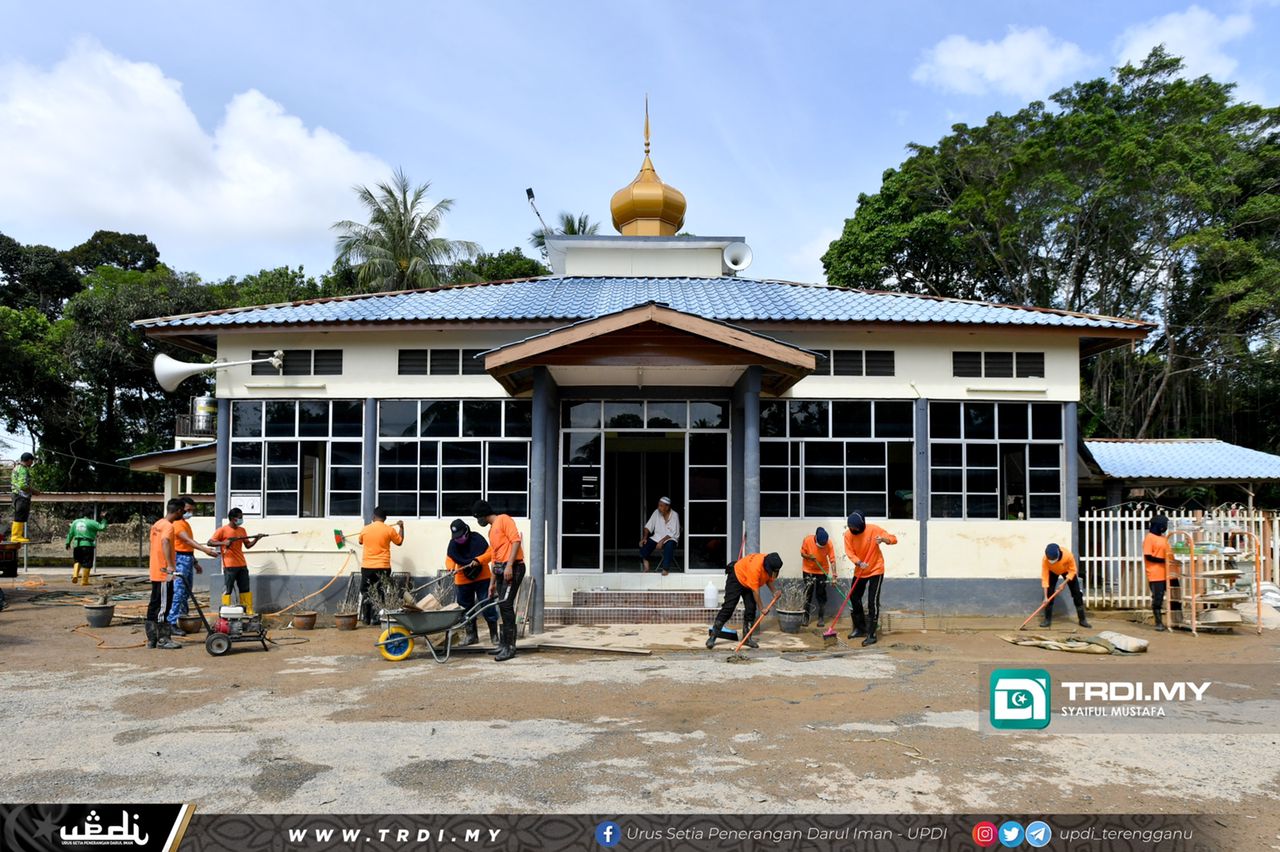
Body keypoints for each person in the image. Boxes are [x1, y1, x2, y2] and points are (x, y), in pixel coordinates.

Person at [474, 499, 524, 662]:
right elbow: (494, 559)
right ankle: (504, 644)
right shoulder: (491, 531)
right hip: (501, 569)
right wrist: (492, 583)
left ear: (482, 515)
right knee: (502, 605)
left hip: (514, 568)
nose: (478, 521)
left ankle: (510, 647)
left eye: (477, 517)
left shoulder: (504, 519)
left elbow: (516, 541)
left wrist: (510, 565)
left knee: (506, 604)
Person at [705, 552, 783, 649]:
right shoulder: (756, 567)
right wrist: (762, 608)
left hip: (748, 581)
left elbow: (768, 579)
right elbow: (755, 591)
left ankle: (747, 639)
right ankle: (713, 637)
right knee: (728, 608)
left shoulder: (770, 563)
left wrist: (774, 591)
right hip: (737, 577)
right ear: (767, 566)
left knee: (751, 608)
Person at [843, 510, 897, 647]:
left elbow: (894, 539)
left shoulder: (873, 530)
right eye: (851, 528)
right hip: (860, 569)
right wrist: (859, 562)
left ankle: (871, 634)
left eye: (855, 528)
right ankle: (860, 628)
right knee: (854, 597)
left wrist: (883, 540)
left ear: (862, 525)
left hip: (875, 569)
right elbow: (849, 552)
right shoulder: (848, 535)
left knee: (872, 601)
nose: (853, 530)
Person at [168, 496, 217, 636]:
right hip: (180, 558)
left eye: (192, 510)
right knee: (178, 591)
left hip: (188, 558)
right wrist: (205, 550)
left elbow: (187, 546)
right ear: (180, 509)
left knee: (186, 591)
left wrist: (195, 563)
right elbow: (187, 541)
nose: (190, 513)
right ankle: (171, 622)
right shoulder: (177, 524)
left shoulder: (185, 523)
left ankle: (183, 619)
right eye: (188, 510)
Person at [445, 518, 498, 647]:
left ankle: (494, 635)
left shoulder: (477, 539)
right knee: (466, 609)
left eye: (461, 536)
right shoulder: (453, 544)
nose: (459, 539)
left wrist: (478, 560)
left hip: (482, 578)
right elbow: (450, 558)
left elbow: (491, 553)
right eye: (456, 537)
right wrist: (451, 569)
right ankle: (471, 635)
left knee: (487, 605)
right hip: (463, 580)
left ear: (467, 532)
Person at [146, 498, 185, 650]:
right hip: (163, 573)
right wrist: (170, 565)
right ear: (178, 511)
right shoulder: (168, 527)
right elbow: (165, 542)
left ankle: (152, 640)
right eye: (184, 511)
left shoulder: (157, 524)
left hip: (155, 570)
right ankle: (163, 639)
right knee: (164, 607)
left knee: (154, 605)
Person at [209, 508, 262, 615]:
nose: (241, 519)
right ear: (233, 519)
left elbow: (248, 545)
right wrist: (223, 543)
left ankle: (247, 610)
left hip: (242, 564)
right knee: (228, 589)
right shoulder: (223, 530)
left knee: (245, 588)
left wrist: (256, 539)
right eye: (240, 517)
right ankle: (225, 610)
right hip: (229, 565)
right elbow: (210, 542)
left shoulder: (242, 530)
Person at [357, 507, 404, 625]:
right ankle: (376, 618)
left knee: (366, 591)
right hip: (383, 566)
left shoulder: (365, 529)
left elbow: (360, 541)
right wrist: (401, 528)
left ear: (374, 517)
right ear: (385, 518)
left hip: (367, 566)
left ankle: (366, 618)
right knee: (380, 591)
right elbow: (399, 542)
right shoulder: (389, 530)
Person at [1039, 543, 1091, 628]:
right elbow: (1045, 577)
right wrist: (1045, 597)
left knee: (1077, 594)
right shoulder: (1045, 559)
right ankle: (1047, 620)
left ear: (1058, 554)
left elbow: (1073, 570)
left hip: (1067, 571)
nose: (1051, 560)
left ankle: (1082, 620)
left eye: (1053, 559)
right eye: (1050, 559)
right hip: (1052, 572)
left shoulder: (1068, 555)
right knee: (1049, 594)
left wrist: (1063, 584)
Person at [1144, 514, 1179, 632]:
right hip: (1156, 573)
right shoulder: (1149, 538)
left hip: (1170, 572)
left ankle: (1177, 621)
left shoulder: (1164, 538)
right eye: (1164, 524)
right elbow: (1148, 556)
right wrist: (1164, 560)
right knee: (1158, 598)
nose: (1165, 527)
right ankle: (1158, 622)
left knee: (1175, 597)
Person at [800, 527, 836, 626]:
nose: (821, 547)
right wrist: (809, 557)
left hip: (822, 571)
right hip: (808, 570)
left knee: (821, 593)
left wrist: (834, 576)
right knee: (808, 593)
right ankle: (805, 617)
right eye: (820, 545)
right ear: (815, 538)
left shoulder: (829, 543)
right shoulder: (807, 540)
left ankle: (821, 617)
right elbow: (802, 554)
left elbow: (832, 560)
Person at [639, 496, 681, 575]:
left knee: (669, 545)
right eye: (659, 505)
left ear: (667, 507)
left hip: (671, 538)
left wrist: (662, 541)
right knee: (644, 544)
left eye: (661, 506)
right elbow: (648, 526)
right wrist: (644, 538)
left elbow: (673, 532)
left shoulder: (674, 515)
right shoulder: (656, 512)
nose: (659, 507)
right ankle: (645, 562)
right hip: (657, 538)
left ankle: (665, 568)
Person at [65, 515, 108, 586]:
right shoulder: (92, 522)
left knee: (77, 560)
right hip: (87, 545)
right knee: (87, 563)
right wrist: (103, 519)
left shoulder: (75, 522)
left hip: (77, 545)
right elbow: (102, 527)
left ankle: (75, 575)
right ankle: (84, 581)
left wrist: (67, 543)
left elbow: (70, 533)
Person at [9, 452, 38, 543]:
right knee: (20, 515)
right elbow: (23, 485)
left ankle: (16, 535)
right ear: (29, 460)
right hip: (21, 495)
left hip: (16, 494)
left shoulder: (16, 467)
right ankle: (16, 536)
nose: (32, 463)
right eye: (32, 461)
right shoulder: (23, 469)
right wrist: (34, 491)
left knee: (19, 515)